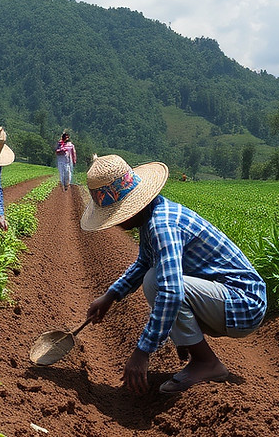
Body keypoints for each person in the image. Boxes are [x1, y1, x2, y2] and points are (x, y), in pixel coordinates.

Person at [81, 154, 266, 394]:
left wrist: (142, 351)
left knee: (159, 283)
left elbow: (171, 292)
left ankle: (206, 363)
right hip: (224, 297)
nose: (114, 223)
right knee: (153, 276)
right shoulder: (153, 217)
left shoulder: (162, 225)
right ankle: (194, 349)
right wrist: (110, 296)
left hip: (243, 304)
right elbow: (143, 263)